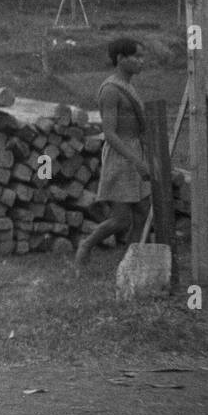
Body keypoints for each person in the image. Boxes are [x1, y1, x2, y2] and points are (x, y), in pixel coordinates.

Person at [74, 38, 151, 269]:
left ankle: (129, 264)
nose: (141, 61)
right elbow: (109, 133)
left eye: (142, 56)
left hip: (135, 152)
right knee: (121, 219)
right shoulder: (110, 89)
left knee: (142, 214)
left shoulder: (129, 86)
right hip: (121, 156)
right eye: (136, 56)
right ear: (120, 59)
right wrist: (136, 160)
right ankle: (86, 245)